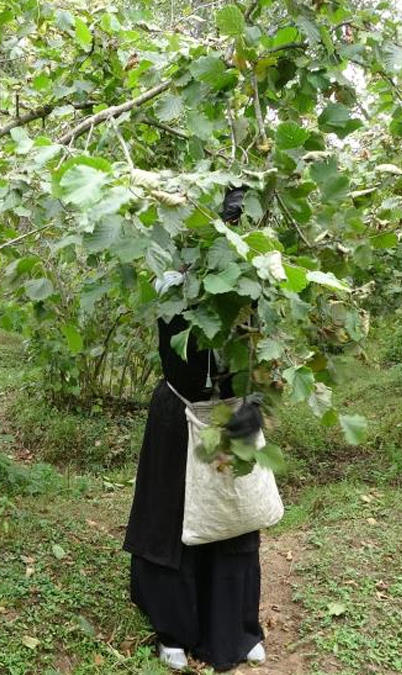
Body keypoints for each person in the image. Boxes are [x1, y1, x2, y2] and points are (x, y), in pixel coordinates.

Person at [123, 188, 266, 672]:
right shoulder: (172, 278)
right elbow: (175, 345)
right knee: (173, 518)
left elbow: (263, 347)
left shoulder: (256, 273)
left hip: (236, 410)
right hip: (181, 413)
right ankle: (174, 631)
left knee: (235, 515)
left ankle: (238, 631)